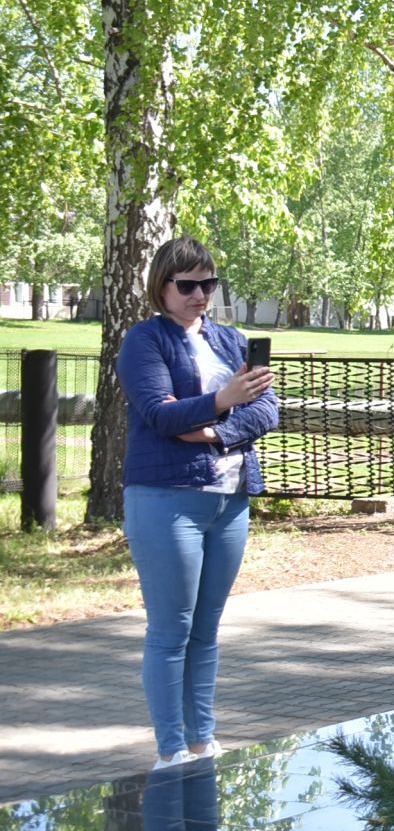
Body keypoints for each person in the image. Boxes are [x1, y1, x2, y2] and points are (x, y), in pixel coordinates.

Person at [117, 237, 278, 772]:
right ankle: (170, 751)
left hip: (229, 501)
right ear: (161, 286)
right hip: (167, 500)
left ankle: (203, 742)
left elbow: (268, 412)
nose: (199, 295)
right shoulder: (144, 341)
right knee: (171, 630)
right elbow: (160, 416)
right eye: (186, 285)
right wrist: (222, 401)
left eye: (207, 284)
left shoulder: (230, 340)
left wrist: (212, 430)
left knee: (206, 629)